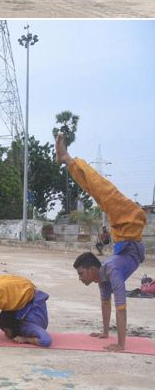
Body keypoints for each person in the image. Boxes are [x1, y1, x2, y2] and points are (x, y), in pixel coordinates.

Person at [57, 132, 147, 351]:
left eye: (81, 273)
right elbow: (107, 304)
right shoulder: (105, 275)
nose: (80, 278)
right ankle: (67, 159)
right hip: (126, 234)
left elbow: (121, 308)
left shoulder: (111, 271)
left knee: (102, 192)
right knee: (99, 193)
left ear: (91, 270)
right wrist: (106, 333)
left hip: (130, 227)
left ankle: (67, 159)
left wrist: (120, 344)